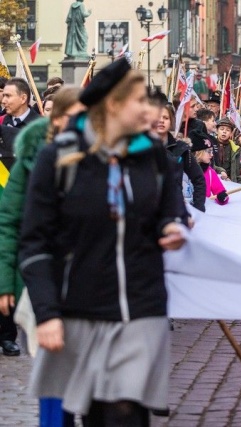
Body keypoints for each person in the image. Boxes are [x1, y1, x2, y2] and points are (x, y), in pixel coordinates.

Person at [19, 58, 187, 426]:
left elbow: (169, 209)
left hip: (141, 307)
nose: (151, 110)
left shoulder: (153, 154)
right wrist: (47, 313)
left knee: (126, 409)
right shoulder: (58, 158)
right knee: (95, 411)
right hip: (82, 309)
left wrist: (173, 227)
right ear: (112, 105)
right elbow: (34, 242)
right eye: (140, 101)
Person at [0, 86, 83, 425]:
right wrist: (6, 280)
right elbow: (10, 223)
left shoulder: (98, 157)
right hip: (41, 276)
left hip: (87, 277)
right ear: (59, 118)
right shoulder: (32, 159)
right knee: (52, 364)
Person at [152, 102, 206, 212]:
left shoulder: (181, 149)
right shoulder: (138, 148)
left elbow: (199, 179)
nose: (161, 121)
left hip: (173, 210)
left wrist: (198, 208)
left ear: (171, 121)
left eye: (165, 118)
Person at [188, 130, 228, 204]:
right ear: (198, 152)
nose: (212, 155)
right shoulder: (184, 170)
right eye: (209, 151)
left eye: (212, 151)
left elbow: (221, 192)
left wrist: (222, 197)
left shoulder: (210, 172)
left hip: (204, 212)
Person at [213, 117, 241, 184]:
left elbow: (238, 176)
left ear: (231, 133)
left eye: (227, 130)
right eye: (222, 129)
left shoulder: (235, 149)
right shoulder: (210, 145)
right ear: (217, 130)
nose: (224, 131)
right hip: (214, 183)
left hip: (230, 185)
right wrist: (220, 171)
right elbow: (208, 166)